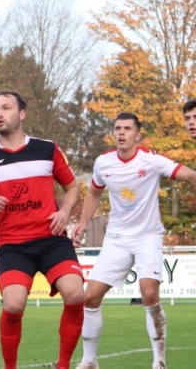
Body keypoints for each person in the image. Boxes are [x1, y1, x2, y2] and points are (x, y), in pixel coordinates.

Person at [70, 111, 196, 369]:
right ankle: (89, 360)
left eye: (127, 129)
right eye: (118, 128)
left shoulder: (152, 160)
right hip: (117, 238)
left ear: (138, 135)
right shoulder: (103, 163)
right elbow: (94, 193)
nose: (121, 133)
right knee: (90, 296)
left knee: (149, 293)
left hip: (148, 237)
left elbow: (191, 175)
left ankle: (159, 362)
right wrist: (82, 223)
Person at [0, 91, 84, 369]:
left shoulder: (47, 149)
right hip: (13, 245)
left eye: (6, 108)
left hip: (51, 239)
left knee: (76, 294)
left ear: (21, 114)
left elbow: (73, 188)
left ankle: (63, 365)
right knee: (13, 304)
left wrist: (64, 212)